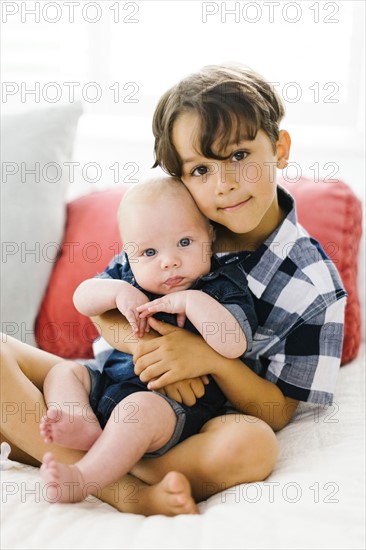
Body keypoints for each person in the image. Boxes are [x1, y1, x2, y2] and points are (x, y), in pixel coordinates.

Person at [0, 62, 347, 516]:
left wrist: (204, 361)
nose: (223, 184)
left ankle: (104, 468)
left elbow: (278, 411)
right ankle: (117, 475)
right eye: (201, 169)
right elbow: (104, 302)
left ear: (279, 148)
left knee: (254, 446)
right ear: (179, 178)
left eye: (239, 156)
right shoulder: (175, 226)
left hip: (186, 422)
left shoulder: (314, 285)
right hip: (111, 382)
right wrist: (152, 351)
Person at [38, 176, 258, 503]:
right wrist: (118, 291)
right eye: (150, 251)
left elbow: (234, 344)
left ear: (209, 237)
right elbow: (81, 298)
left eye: (184, 242)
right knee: (65, 372)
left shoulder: (221, 284)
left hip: (167, 408)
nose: (168, 261)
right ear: (129, 254)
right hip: (110, 381)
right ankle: (80, 420)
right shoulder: (127, 273)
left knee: (137, 412)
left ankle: (84, 478)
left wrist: (192, 302)